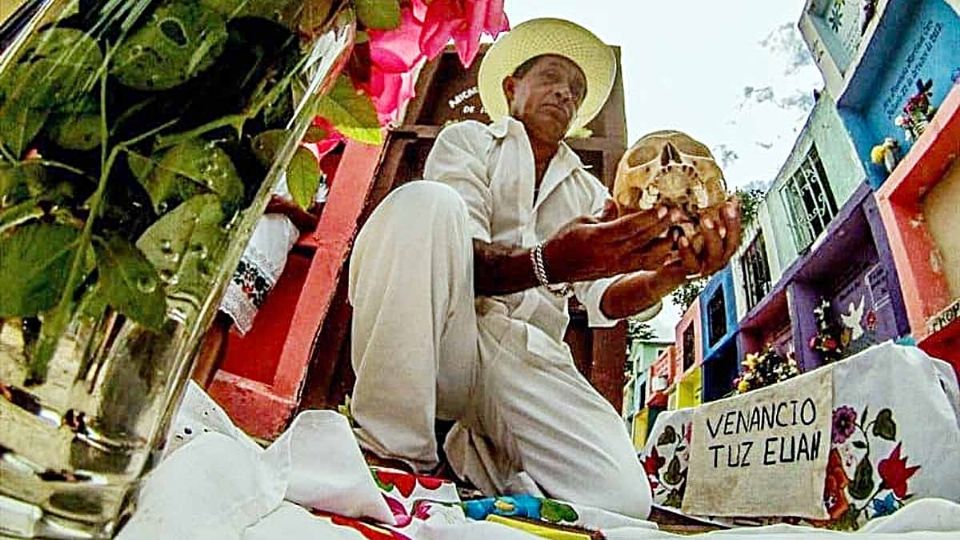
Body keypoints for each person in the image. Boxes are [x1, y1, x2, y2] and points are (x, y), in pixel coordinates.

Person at [347, 18, 741, 519]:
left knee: (623, 501)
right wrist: (550, 262)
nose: (565, 94)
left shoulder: (589, 193)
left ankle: (478, 468)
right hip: (450, 338)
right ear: (512, 88)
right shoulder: (469, 141)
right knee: (425, 204)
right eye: (552, 77)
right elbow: (467, 262)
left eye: (575, 90)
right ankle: (393, 452)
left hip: (531, 357)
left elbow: (606, 300)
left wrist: (672, 272)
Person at [191, 175, 327, 388]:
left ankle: (197, 389)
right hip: (232, 236)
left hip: (266, 245)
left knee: (222, 317)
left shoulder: (311, 171)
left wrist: (288, 207)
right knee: (198, 309)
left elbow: (314, 220)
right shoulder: (262, 150)